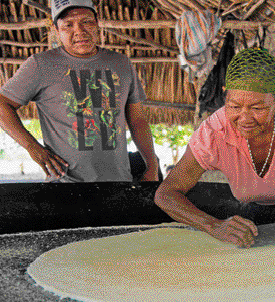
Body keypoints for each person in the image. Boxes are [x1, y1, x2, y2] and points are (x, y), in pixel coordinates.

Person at [155, 48, 275, 249]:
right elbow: (166, 193)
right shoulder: (214, 132)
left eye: (258, 108)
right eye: (234, 106)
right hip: (246, 212)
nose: (245, 118)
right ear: (225, 95)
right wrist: (214, 226)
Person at [0, 0, 158, 182]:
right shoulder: (41, 65)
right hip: (65, 185)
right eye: (68, 25)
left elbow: (137, 120)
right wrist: (33, 148)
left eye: (87, 22)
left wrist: (152, 166)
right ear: (56, 30)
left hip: (119, 182)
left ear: (97, 24)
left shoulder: (121, 63)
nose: (80, 31)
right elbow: (3, 104)